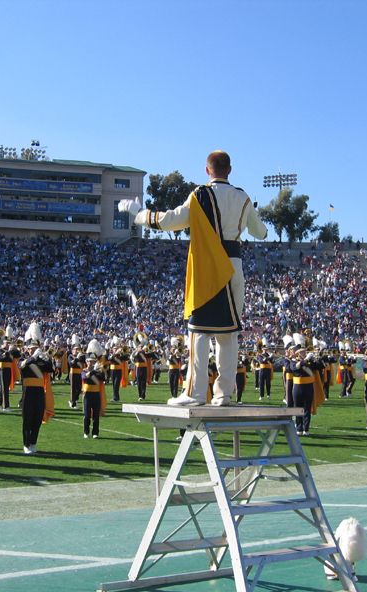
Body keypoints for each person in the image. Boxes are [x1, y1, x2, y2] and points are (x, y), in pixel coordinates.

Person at [120, 150, 268, 407]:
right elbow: (261, 232)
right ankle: (223, 395)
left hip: (207, 266)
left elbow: (169, 221)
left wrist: (138, 212)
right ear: (229, 170)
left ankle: (197, 393)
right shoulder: (243, 197)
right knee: (228, 334)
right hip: (234, 265)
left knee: (199, 332)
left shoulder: (200, 195)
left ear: (207, 170)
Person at [18, 334, 54, 454]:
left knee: (37, 418)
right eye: (31, 348)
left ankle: (33, 442)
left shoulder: (41, 360)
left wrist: (47, 357)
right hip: (28, 391)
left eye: (35, 348)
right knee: (27, 419)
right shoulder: (23, 358)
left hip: (39, 391)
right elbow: (21, 366)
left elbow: (50, 369)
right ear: (27, 349)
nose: (34, 350)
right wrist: (32, 357)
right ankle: (26, 444)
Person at [81, 352, 106, 438]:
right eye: (90, 361)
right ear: (86, 362)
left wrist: (101, 371)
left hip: (96, 394)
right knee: (87, 415)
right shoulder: (84, 370)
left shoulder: (97, 371)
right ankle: (86, 432)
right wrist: (94, 371)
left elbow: (104, 378)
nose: (91, 363)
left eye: (93, 361)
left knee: (96, 415)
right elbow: (85, 377)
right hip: (87, 395)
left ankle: (95, 433)